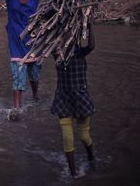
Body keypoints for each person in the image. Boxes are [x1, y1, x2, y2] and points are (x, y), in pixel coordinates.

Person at [0, 0, 48, 113]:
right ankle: (17, 108)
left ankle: (35, 95)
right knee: (18, 77)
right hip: (16, 44)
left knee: (34, 75)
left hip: (33, 41)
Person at [51, 16, 96, 177]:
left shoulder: (80, 52)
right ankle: (73, 174)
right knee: (68, 138)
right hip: (63, 99)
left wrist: (90, 25)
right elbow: (52, 44)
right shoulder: (58, 54)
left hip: (81, 99)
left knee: (84, 135)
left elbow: (91, 45)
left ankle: (91, 155)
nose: (66, 41)